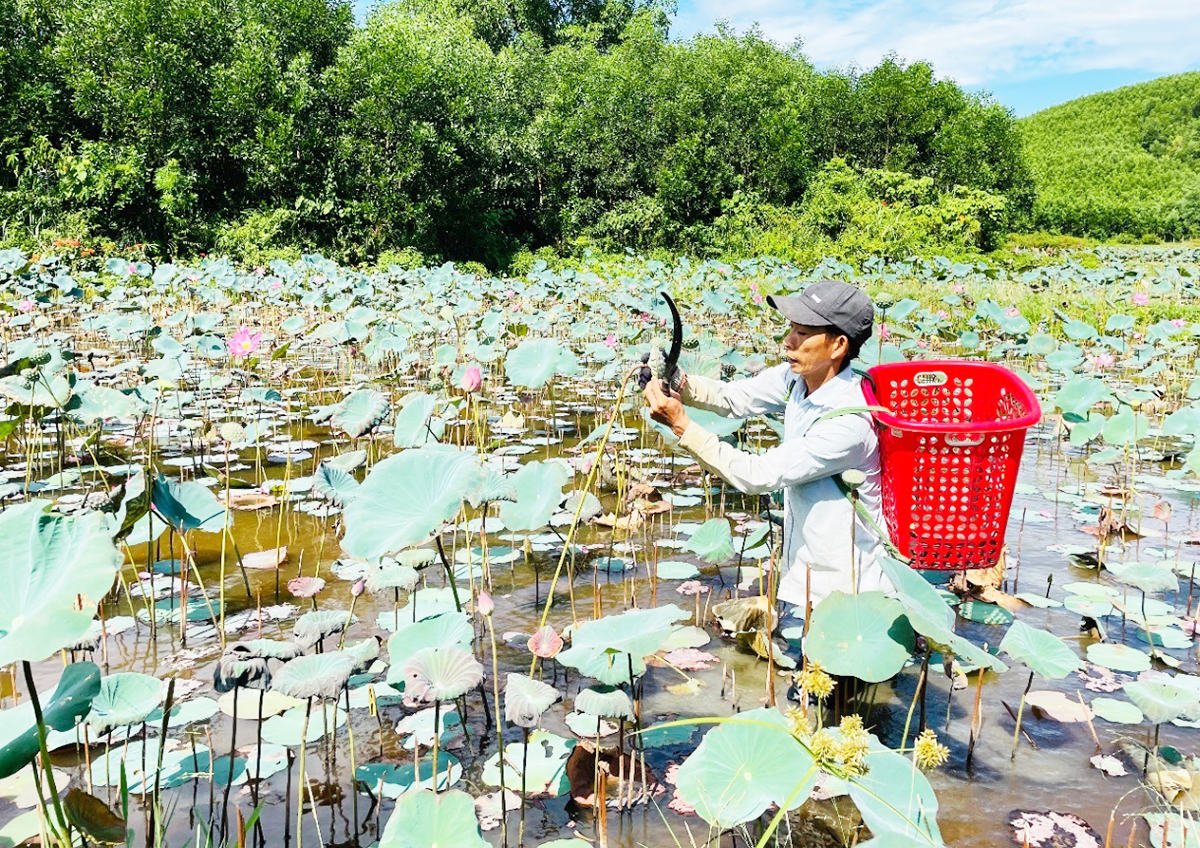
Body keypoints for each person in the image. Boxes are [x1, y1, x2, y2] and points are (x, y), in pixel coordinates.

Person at [643, 279, 893, 618]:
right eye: (791, 328)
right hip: (802, 579)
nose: (787, 341)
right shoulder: (798, 379)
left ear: (838, 346)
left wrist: (681, 425)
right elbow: (733, 398)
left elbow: (757, 475)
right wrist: (675, 380)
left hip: (847, 595)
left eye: (803, 334)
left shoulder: (848, 423)